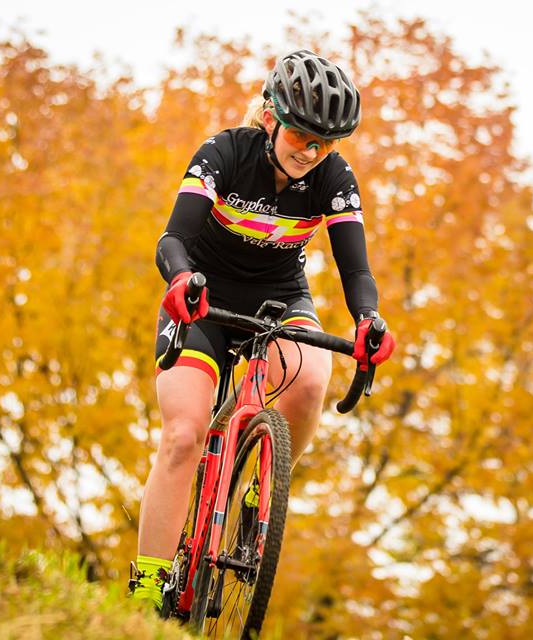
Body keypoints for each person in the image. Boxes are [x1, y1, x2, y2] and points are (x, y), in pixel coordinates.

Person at [131, 49, 396, 609]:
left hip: (280, 298)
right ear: (271, 117)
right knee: (183, 435)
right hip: (201, 296)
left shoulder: (333, 177)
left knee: (312, 380)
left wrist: (369, 319)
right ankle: (149, 586)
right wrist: (180, 279)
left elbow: (355, 270)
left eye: (325, 142)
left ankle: (262, 492)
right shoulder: (225, 152)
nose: (311, 152)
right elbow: (172, 239)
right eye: (301, 135)